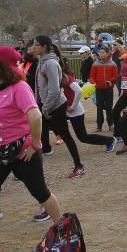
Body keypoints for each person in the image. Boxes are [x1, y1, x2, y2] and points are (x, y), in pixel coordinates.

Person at [0, 46, 63, 252]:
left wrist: (34, 144)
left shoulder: (19, 88)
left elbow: (35, 116)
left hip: (22, 152)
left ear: (1, 66)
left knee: (40, 192)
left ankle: (62, 228)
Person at [30, 35, 84, 179]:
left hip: (56, 106)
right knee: (35, 134)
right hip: (46, 105)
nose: (33, 47)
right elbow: (40, 87)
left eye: (36, 45)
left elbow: (54, 89)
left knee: (65, 135)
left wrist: (46, 108)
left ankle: (79, 166)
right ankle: (27, 170)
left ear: (44, 47)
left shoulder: (51, 64)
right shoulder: (41, 62)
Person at [63, 63, 117, 152]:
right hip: (65, 110)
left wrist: (72, 107)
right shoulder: (59, 77)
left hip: (75, 111)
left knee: (83, 137)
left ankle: (110, 140)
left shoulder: (66, 77)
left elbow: (79, 91)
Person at [89, 47, 119, 131]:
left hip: (109, 89)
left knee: (109, 107)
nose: (100, 54)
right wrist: (93, 83)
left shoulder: (113, 63)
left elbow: (116, 76)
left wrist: (110, 81)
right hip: (98, 89)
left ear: (108, 53)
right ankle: (99, 126)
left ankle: (110, 124)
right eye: (99, 52)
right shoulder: (95, 64)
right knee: (99, 108)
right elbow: (91, 76)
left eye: (102, 52)